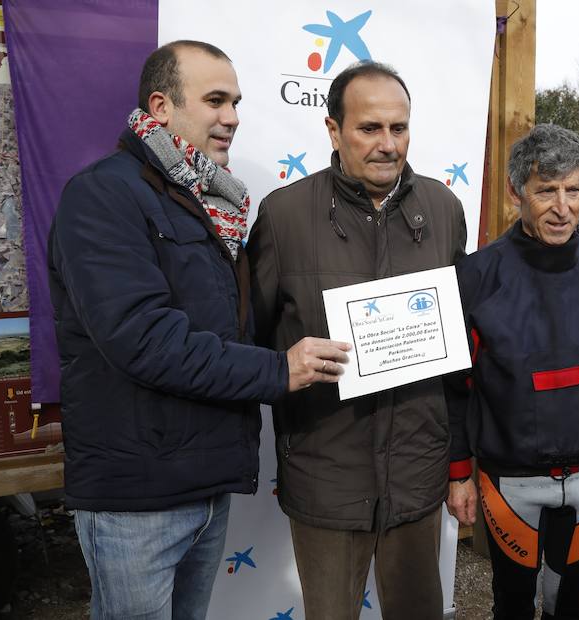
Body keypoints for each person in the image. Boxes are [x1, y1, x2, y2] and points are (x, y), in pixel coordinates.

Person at [47, 41, 351, 618]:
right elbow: (143, 339)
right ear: (161, 106)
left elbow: (230, 326)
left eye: (235, 101)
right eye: (215, 100)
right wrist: (280, 368)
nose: (232, 117)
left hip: (204, 485)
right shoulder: (102, 196)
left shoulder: (210, 202)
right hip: (136, 499)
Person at [248, 60, 466, 619]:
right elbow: (249, 342)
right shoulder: (284, 216)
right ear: (333, 131)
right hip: (327, 474)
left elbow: (458, 336)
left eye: (399, 128)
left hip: (416, 477)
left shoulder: (442, 210)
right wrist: (285, 366)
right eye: (370, 128)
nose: (388, 144)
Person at [445, 124, 579, 620]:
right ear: (518, 192)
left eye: (573, 190)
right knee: (512, 605)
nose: (563, 207)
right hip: (510, 480)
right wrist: (458, 474)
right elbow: (454, 387)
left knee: (571, 604)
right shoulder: (476, 277)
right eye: (546, 191)